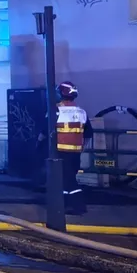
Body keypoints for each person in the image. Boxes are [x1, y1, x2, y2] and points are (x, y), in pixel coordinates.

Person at [54, 81, 88, 215]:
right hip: (76, 153)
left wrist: (38, 144)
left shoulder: (56, 110)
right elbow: (88, 133)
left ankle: (79, 207)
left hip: (61, 152)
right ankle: (65, 205)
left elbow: (46, 131)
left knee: (69, 181)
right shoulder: (82, 112)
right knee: (67, 179)